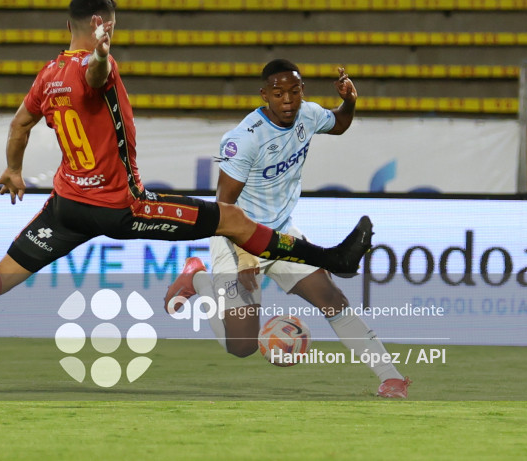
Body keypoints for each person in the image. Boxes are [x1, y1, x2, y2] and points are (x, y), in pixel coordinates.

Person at [0, 0, 372, 383]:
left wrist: (13, 170)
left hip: (66, 207)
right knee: (232, 219)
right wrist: (101, 54)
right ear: (105, 26)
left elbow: (19, 125)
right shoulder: (98, 65)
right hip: (122, 206)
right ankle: (332, 257)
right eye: (110, 30)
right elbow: (96, 75)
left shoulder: (48, 74)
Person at [163, 59, 411, 398]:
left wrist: (349, 101)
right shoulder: (244, 139)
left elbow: (339, 124)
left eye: (294, 92)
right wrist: (245, 257)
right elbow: (224, 207)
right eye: (279, 94)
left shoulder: (307, 115)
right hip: (237, 237)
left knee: (331, 297)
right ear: (265, 95)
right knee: (241, 346)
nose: (288, 101)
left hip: (281, 233)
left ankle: (390, 377)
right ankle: (198, 278)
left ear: (302, 91)